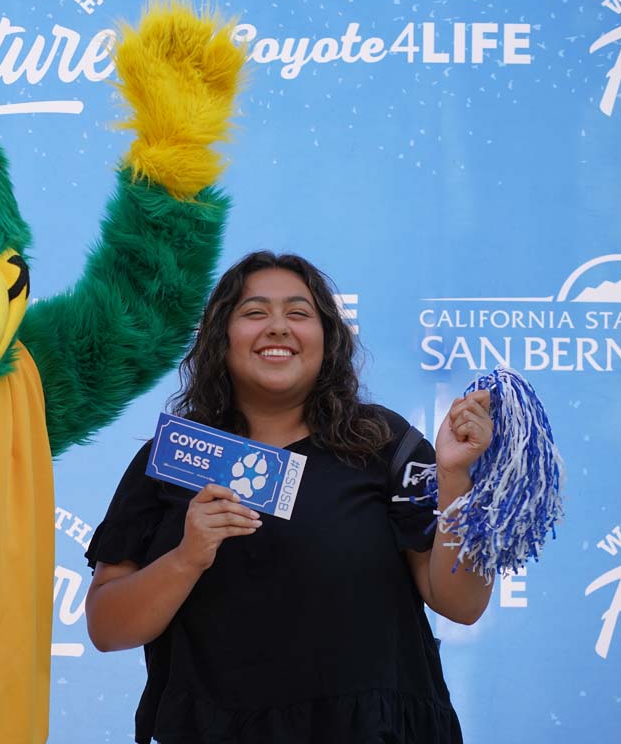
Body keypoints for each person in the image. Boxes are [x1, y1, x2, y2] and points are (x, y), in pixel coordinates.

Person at [84, 251, 494, 744]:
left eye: (298, 314)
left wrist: (453, 480)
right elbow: (107, 629)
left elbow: (462, 604)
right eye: (254, 313)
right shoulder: (173, 458)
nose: (278, 327)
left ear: (327, 339)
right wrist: (187, 557)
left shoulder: (384, 442)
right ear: (221, 338)